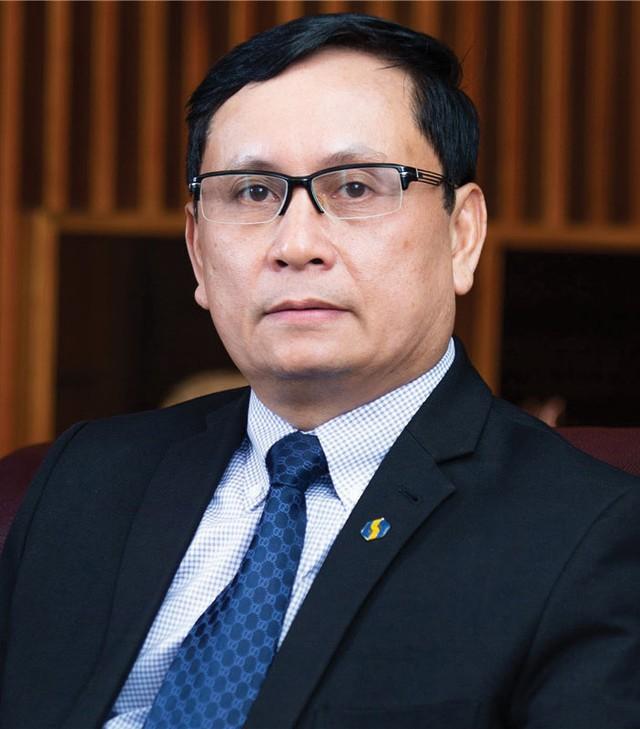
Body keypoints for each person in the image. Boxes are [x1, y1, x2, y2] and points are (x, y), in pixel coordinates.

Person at [1, 13, 639, 729]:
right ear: (197, 252)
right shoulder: (85, 476)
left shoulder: (591, 534)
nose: (296, 243)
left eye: (356, 188)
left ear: (462, 234)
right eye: (251, 192)